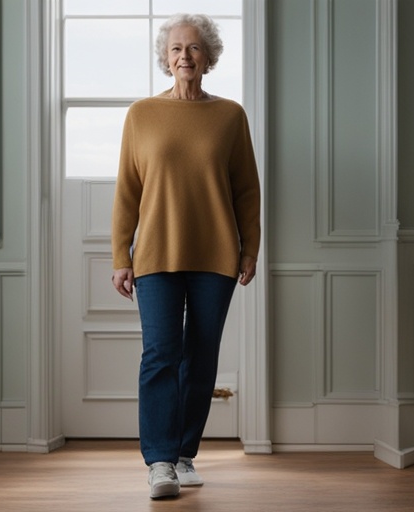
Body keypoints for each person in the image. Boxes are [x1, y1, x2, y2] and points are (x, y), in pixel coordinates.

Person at [110, 13, 261, 500]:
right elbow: (127, 192)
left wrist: (250, 249)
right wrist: (120, 253)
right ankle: (158, 461)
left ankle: (183, 454)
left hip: (216, 254)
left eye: (194, 48)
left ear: (209, 57)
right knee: (160, 355)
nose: (185, 57)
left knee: (201, 356)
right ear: (165, 58)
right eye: (176, 48)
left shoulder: (230, 116)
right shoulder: (141, 115)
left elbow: (247, 192)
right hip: (155, 254)